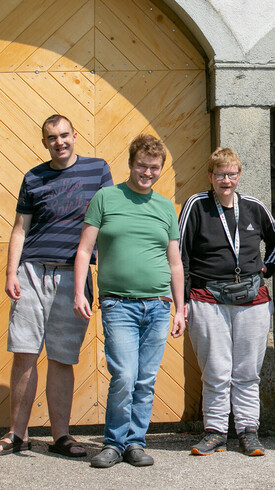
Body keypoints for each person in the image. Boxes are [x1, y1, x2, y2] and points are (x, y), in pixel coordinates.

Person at [0, 115, 113, 458]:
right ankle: (17, 434)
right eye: (52, 138)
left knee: (63, 358)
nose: (59, 142)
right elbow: (20, 228)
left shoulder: (98, 170)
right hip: (31, 271)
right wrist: (10, 273)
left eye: (64, 135)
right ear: (44, 142)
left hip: (73, 275)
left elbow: (110, 221)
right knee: (25, 353)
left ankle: (61, 436)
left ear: (75, 135)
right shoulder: (33, 177)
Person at [73, 134, 185, 468]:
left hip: (158, 305)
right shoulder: (106, 198)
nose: (147, 173)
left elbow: (175, 263)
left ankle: (135, 442)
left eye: (153, 168)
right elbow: (83, 250)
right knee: (124, 374)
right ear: (131, 163)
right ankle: (113, 442)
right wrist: (80, 291)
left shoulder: (165, 207)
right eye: (142, 166)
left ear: (160, 169)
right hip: (118, 304)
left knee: (146, 378)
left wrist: (180, 308)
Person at [178, 147, 275, 457]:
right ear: (210, 176)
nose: (226, 179)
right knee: (216, 370)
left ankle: (248, 431)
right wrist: (181, 300)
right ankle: (215, 431)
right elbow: (180, 253)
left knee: (248, 370)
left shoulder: (254, 206)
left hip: (252, 299)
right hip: (207, 297)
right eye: (220, 174)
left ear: (239, 175)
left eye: (232, 173)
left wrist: (267, 268)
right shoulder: (196, 205)